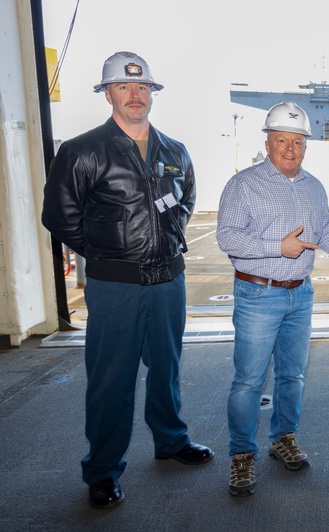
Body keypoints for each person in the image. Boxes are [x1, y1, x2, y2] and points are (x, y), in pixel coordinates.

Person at [41, 51, 213, 510]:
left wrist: (164, 243)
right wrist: (107, 252)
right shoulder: (82, 151)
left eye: (142, 88)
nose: (135, 95)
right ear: (108, 94)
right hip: (115, 286)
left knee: (167, 369)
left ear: (152, 93)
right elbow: (59, 215)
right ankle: (101, 470)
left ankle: (171, 440)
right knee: (110, 379)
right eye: (124, 87)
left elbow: (184, 203)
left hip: (168, 281)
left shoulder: (175, 151)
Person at [217, 101, 329, 497]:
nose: (290, 149)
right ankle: (242, 456)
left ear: (305, 146)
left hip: (300, 295)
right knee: (249, 381)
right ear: (268, 142)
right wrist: (279, 247)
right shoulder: (243, 184)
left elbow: (325, 233)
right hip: (258, 293)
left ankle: (283, 438)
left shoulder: (312, 186)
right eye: (281, 141)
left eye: (297, 142)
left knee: (293, 376)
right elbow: (228, 237)